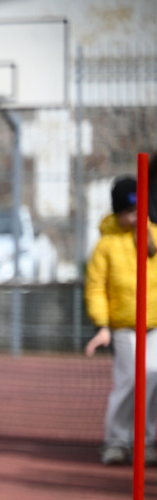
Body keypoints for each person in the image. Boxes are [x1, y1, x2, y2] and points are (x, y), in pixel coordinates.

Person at [84, 176, 157, 466]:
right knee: (130, 381)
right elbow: (96, 286)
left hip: (154, 323)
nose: (134, 216)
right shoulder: (106, 245)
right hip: (125, 326)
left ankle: (149, 440)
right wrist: (102, 325)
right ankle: (117, 440)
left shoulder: (154, 234)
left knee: (153, 376)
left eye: (137, 210)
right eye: (128, 211)